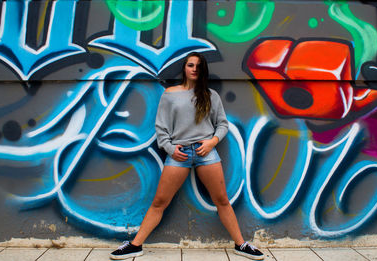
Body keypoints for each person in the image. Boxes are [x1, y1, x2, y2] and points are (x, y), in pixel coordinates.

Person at [110, 52, 264, 260]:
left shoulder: (210, 96)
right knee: (159, 202)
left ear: (203, 70)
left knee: (222, 201)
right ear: (184, 68)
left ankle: (241, 244)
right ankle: (135, 245)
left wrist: (211, 142)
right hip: (178, 154)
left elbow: (223, 125)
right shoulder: (170, 94)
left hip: (206, 153)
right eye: (190, 65)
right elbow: (161, 128)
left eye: (198, 66)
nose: (194, 69)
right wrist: (171, 149)